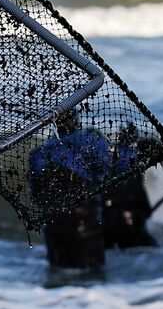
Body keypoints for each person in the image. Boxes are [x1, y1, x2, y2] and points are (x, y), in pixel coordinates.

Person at [28, 113, 114, 270]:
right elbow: (106, 167)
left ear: (56, 125)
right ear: (76, 121)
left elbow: (36, 193)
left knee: (59, 272)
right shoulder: (91, 139)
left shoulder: (40, 152)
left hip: (54, 227)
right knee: (92, 274)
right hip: (86, 224)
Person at [101, 123, 163, 248]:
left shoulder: (107, 152)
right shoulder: (144, 147)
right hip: (135, 214)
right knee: (144, 250)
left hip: (108, 216)